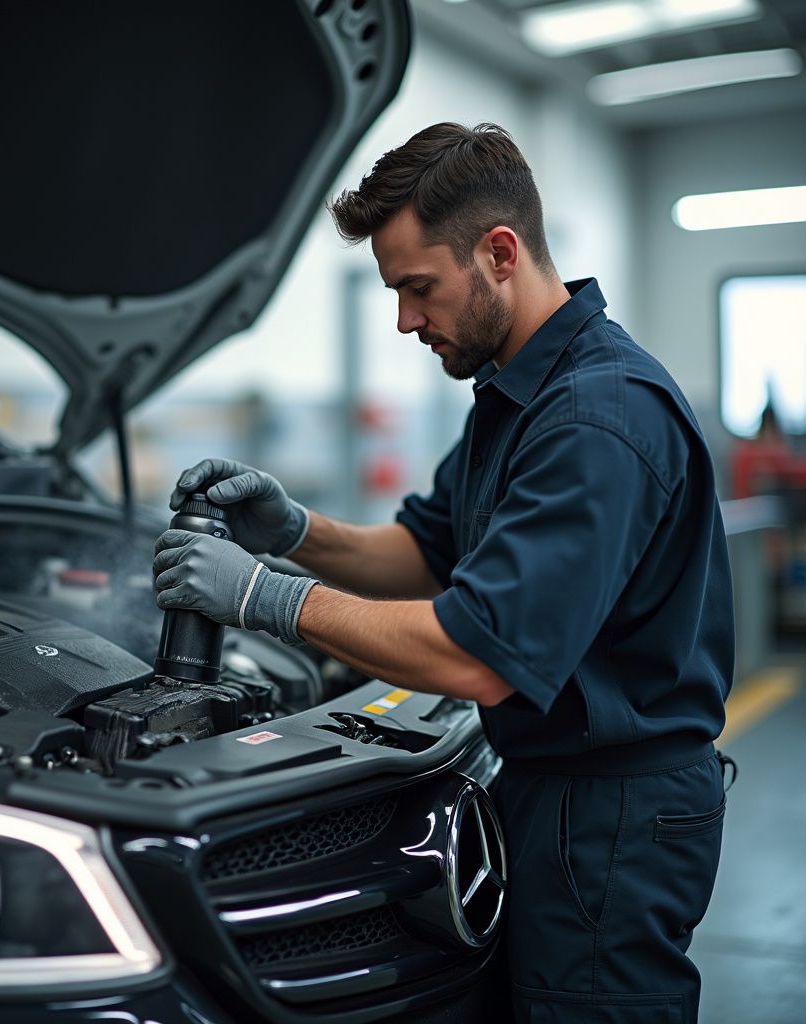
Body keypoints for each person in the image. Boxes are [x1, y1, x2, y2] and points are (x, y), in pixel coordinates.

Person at [153, 122, 734, 1023]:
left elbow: (477, 655)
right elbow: (424, 554)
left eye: (418, 288)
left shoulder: (597, 417)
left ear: (499, 254)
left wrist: (263, 597)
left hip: (610, 816)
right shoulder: (518, 392)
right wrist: (293, 530)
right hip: (550, 785)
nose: (405, 321)